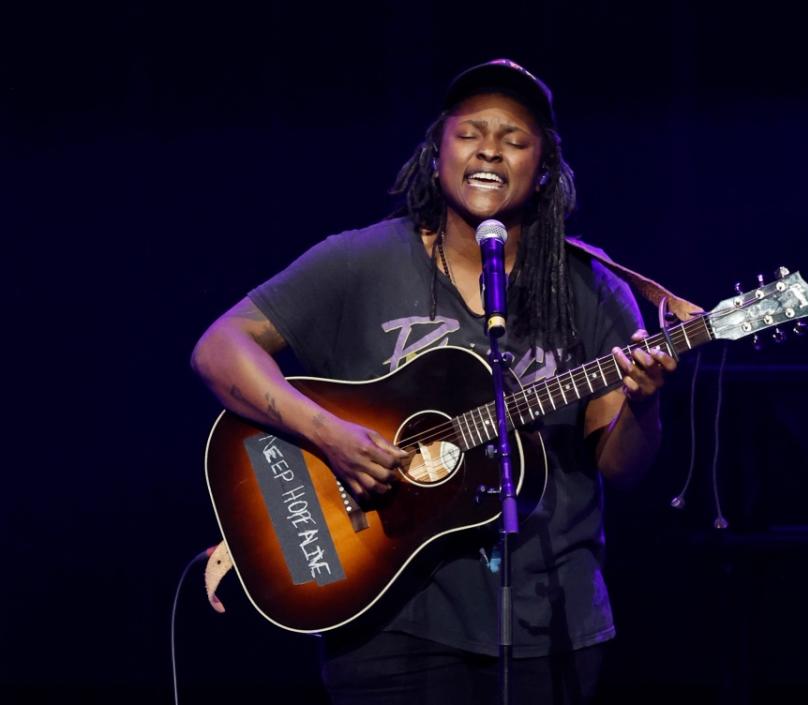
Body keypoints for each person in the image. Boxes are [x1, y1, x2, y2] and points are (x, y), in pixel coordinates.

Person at [192, 59, 678, 704]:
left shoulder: (595, 289)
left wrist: (645, 406)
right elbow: (220, 348)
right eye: (471, 132)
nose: (490, 151)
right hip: (390, 620)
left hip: (551, 623)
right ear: (436, 151)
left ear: (543, 169)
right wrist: (330, 434)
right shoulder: (359, 260)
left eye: (515, 139)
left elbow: (623, 469)